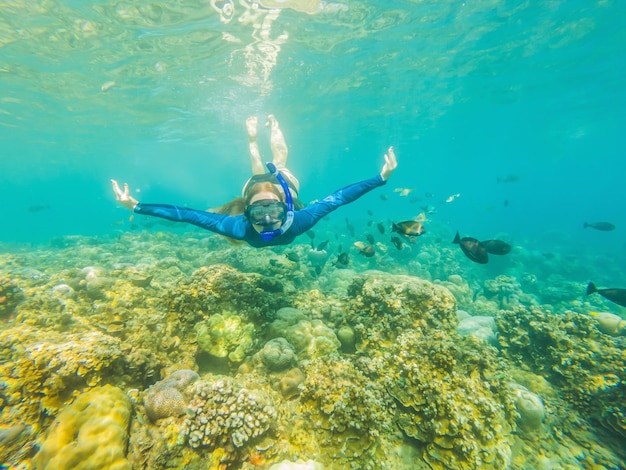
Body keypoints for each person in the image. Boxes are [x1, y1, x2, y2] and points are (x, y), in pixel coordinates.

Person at [111, 115, 398, 248]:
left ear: (285, 206)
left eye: (272, 210)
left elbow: (339, 198)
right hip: (256, 187)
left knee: (280, 160)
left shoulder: (296, 219)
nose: (267, 219)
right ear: (246, 211)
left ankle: (269, 128)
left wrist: (380, 178)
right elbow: (186, 216)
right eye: (258, 212)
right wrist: (135, 206)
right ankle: (251, 139)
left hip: (281, 184)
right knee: (261, 167)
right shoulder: (238, 225)